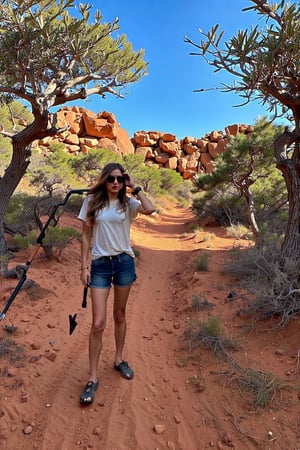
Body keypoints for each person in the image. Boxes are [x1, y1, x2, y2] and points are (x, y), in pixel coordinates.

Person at [78, 162, 155, 404]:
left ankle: (119, 359)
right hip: (100, 264)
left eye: (120, 179)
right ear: (104, 179)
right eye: (111, 178)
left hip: (123, 263)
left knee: (120, 315)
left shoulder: (128, 202)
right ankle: (92, 376)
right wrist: (84, 266)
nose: (115, 183)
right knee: (98, 322)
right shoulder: (91, 202)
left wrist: (135, 187)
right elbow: (86, 234)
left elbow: (151, 209)